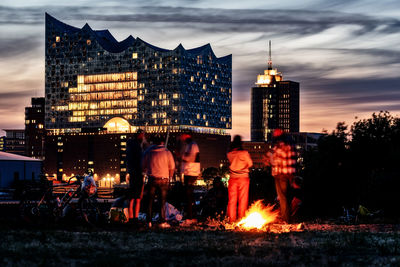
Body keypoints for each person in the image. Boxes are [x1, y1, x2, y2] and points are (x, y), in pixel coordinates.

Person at [265, 129, 297, 223]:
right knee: (288, 196)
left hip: (281, 174)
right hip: (290, 174)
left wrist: (268, 159)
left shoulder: (280, 145)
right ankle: (288, 218)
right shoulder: (291, 143)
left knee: (282, 197)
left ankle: (286, 219)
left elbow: (274, 160)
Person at [142, 135, 175, 228]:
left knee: (150, 201)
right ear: (162, 142)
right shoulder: (167, 152)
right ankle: (162, 221)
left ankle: (149, 221)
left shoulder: (148, 151)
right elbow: (172, 167)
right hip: (163, 179)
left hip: (152, 179)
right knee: (162, 201)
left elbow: (143, 165)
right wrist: (170, 177)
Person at [227, 135, 253, 223]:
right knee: (243, 199)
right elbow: (250, 164)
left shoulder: (229, 154)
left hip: (233, 177)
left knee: (232, 200)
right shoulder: (244, 153)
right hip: (243, 177)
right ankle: (241, 219)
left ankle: (231, 220)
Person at [180, 133, 201, 226]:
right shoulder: (190, 145)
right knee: (189, 196)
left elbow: (191, 158)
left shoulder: (192, 145)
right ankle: (192, 216)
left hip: (191, 172)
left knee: (188, 195)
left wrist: (181, 156)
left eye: (183, 136)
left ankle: (190, 217)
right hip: (189, 171)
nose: (182, 138)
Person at [126, 129, 146, 223]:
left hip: (132, 173)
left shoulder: (130, 146)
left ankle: (131, 218)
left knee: (132, 198)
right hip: (138, 174)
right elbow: (141, 160)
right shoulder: (137, 147)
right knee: (137, 198)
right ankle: (135, 217)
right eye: (142, 135)